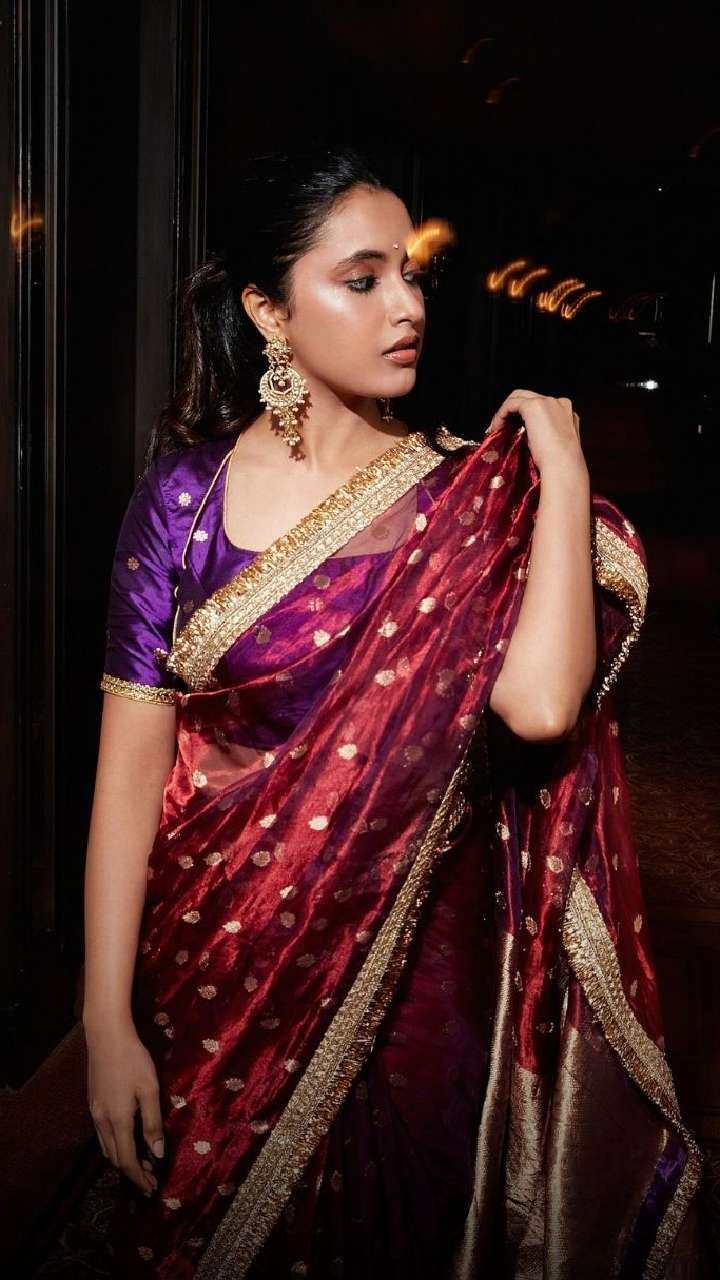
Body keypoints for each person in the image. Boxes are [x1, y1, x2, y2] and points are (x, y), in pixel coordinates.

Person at [83, 147, 699, 1279]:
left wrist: (561, 468)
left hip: (416, 991)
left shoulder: (470, 498)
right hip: (214, 974)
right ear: (269, 311)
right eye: (361, 280)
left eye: (410, 275)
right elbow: (129, 776)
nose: (408, 306)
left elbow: (542, 704)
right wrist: (105, 1020)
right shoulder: (183, 502)